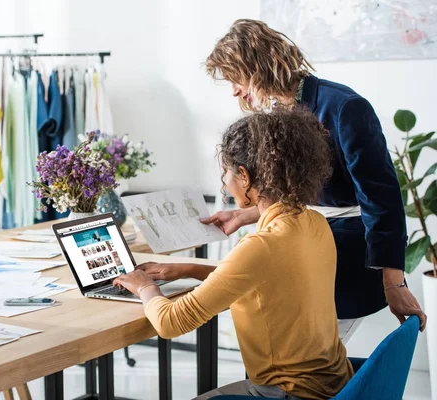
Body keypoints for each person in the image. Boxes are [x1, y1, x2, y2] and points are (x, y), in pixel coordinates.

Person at [201, 19, 426, 329]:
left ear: (256, 67)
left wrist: (394, 282)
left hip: (350, 247)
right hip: (310, 236)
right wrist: (245, 215)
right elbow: (298, 193)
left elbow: (382, 199)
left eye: (234, 78)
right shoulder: (278, 112)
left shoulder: (346, 107)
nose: (234, 91)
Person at [115, 109, 352, 399]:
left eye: (226, 171)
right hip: (335, 384)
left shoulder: (261, 247)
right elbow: (266, 282)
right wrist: (187, 269)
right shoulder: (314, 222)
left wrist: (145, 286)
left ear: (244, 176)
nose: (225, 180)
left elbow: (170, 322)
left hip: (291, 392)